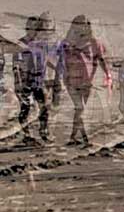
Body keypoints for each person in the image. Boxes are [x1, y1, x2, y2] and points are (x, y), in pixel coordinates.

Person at [58, 14, 107, 145]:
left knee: (80, 110)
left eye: (84, 24)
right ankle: (85, 139)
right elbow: (61, 62)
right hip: (71, 81)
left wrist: (107, 75)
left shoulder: (94, 43)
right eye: (78, 24)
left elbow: (100, 59)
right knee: (80, 108)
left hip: (86, 82)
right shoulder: (66, 43)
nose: (81, 26)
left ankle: (73, 138)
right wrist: (61, 78)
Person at [11, 16, 52, 145]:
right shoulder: (20, 44)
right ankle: (26, 135)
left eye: (36, 28)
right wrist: (19, 83)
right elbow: (15, 65)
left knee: (44, 107)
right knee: (26, 108)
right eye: (30, 27)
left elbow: (47, 61)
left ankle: (44, 133)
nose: (33, 30)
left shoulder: (42, 44)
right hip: (25, 81)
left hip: (38, 80)